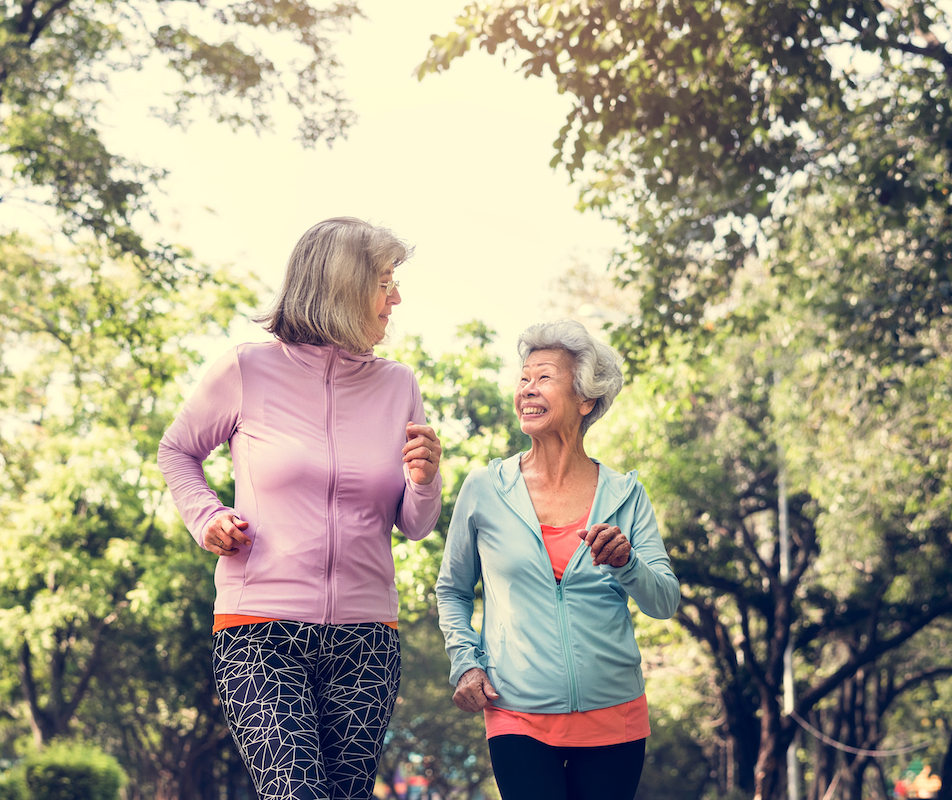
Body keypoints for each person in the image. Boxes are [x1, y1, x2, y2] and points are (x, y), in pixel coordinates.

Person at [157, 217, 443, 800]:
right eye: (384, 282)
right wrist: (206, 517)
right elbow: (178, 451)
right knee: (296, 792)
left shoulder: (398, 385)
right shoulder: (247, 369)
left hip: (366, 637)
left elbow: (414, 525)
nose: (397, 298)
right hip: (260, 627)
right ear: (342, 285)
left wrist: (425, 479)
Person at [435, 319, 679, 800]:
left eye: (544, 377)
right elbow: (453, 590)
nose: (527, 388)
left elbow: (664, 600)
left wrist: (627, 563)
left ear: (586, 399)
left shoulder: (625, 495)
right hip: (516, 711)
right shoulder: (485, 489)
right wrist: (466, 662)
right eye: (523, 378)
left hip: (616, 714)